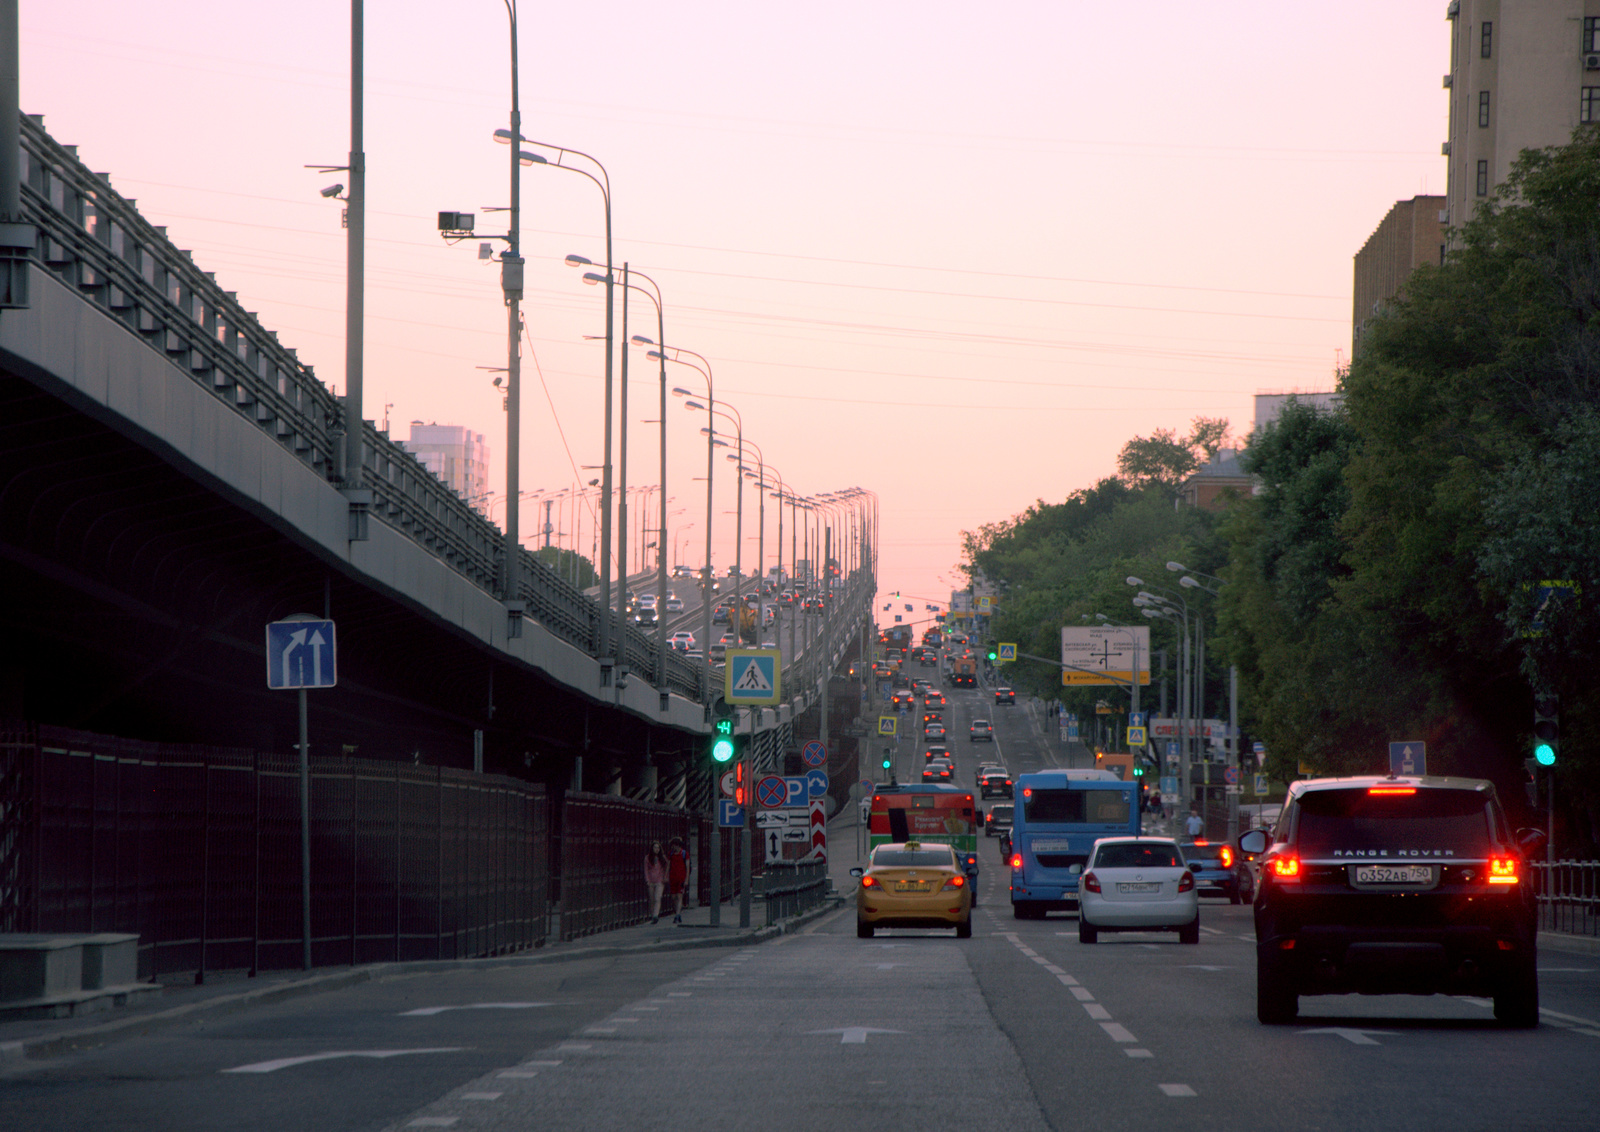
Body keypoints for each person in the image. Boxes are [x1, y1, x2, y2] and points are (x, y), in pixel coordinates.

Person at [666, 836, 689, 924]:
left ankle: (677, 915)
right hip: (673, 878)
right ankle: (677, 912)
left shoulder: (684, 854)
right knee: (673, 897)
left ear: (678, 846)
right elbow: (668, 865)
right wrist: (666, 875)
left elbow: (687, 867)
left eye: (674, 845)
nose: (673, 847)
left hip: (681, 878)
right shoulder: (671, 854)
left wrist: (686, 879)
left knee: (679, 896)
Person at [644, 840, 668, 924]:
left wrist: (665, 877)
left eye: (658, 848)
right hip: (651, 881)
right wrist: (647, 880)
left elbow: (667, 867)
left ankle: (655, 915)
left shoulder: (662, 858)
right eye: (655, 847)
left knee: (658, 898)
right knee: (652, 899)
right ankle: (652, 915)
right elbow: (646, 870)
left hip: (659, 881)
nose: (657, 849)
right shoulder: (647, 858)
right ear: (652, 848)